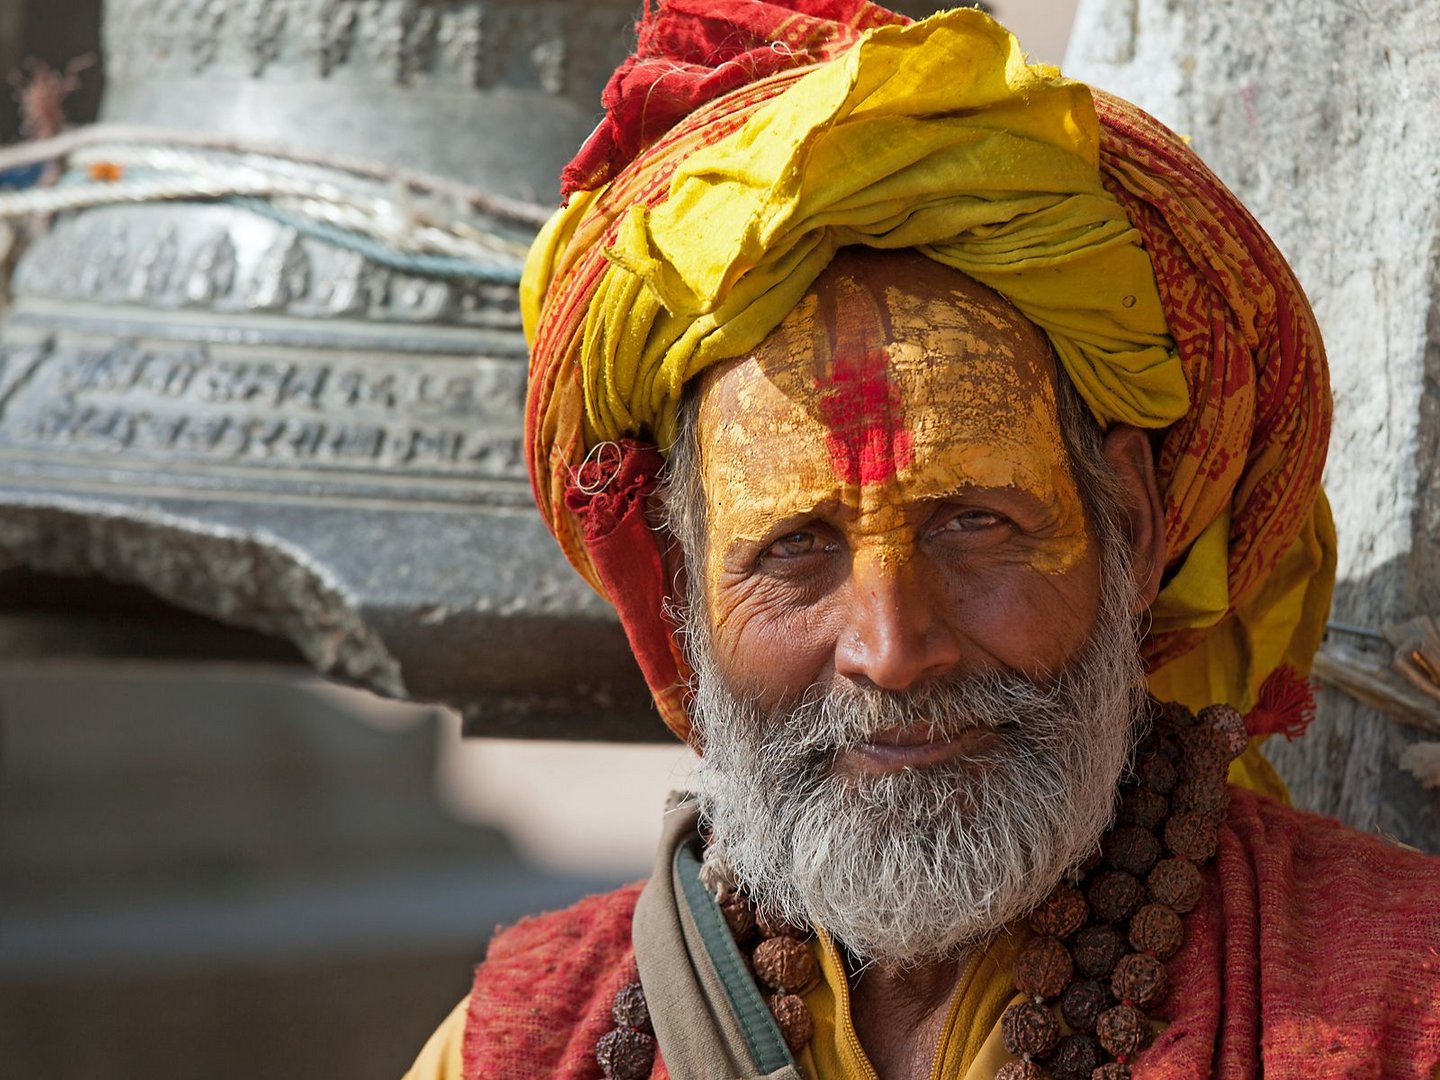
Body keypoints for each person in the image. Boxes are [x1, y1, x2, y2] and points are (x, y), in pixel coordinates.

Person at [406, 3, 1440, 1077]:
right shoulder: (515, 1046)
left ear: (1125, 526)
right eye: (795, 547)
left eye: (975, 524)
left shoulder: (1401, 1011)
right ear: (678, 589)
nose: (893, 650)